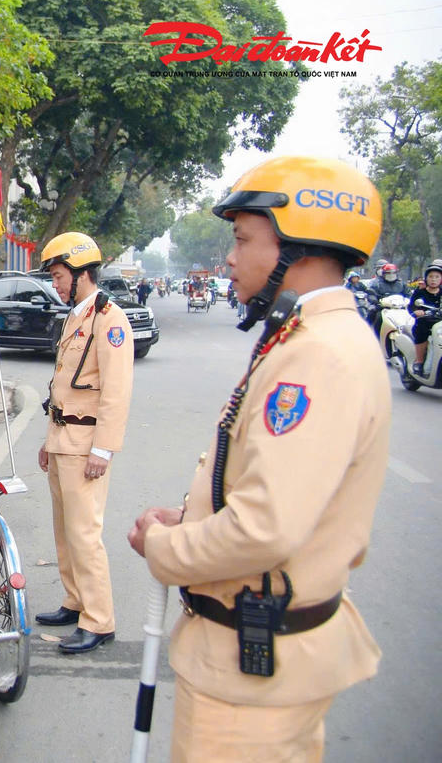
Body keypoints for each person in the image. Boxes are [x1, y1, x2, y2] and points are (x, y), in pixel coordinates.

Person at [127, 156, 389, 762]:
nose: (229, 259)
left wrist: (167, 550)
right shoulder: (314, 336)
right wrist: (191, 521)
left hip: (249, 677)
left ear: (296, 249)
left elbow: (264, 526)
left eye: (244, 239)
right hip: (261, 658)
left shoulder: (317, 353)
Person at [35, 231, 134, 654]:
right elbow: (62, 386)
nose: (55, 284)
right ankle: (75, 601)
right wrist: (47, 439)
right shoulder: (76, 315)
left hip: (85, 443)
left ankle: (99, 619)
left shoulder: (109, 319)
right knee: (64, 531)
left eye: (59, 276)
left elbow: (116, 390)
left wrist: (102, 449)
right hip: (62, 438)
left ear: (82, 273)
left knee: (84, 533)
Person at [408, 259, 442, 374]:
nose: (433, 280)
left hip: (440, 323)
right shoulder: (420, 293)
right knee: (421, 329)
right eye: (431, 277)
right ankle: (419, 361)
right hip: (426, 323)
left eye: (437, 277)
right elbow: (411, 306)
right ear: (426, 278)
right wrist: (417, 312)